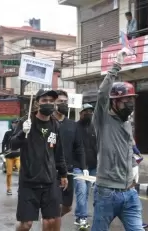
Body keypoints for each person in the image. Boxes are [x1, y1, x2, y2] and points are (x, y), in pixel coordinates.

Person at [91, 59, 143, 230]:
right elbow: (101, 94)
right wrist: (115, 67)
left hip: (129, 192)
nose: (130, 104)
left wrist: (134, 166)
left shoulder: (127, 122)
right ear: (113, 101)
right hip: (107, 192)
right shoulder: (102, 119)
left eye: (131, 100)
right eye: (125, 100)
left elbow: (127, 149)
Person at [11, 89, 68, 231]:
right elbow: (12, 145)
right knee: (26, 224)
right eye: (44, 100)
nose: (48, 103)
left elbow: (58, 152)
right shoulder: (26, 122)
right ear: (37, 103)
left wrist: (63, 174)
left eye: (51, 101)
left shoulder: (55, 125)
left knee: (51, 221)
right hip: (29, 182)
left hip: (49, 181)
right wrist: (22, 133)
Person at [52, 89, 86, 229]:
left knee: (67, 207)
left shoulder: (73, 125)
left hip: (68, 171)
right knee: (54, 205)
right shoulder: (47, 123)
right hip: (51, 171)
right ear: (54, 103)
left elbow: (79, 147)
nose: (63, 104)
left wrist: (84, 168)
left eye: (65, 102)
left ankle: (51, 220)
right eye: (60, 102)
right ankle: (50, 221)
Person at [74, 103, 97, 228]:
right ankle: (82, 217)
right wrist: (82, 167)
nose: (89, 114)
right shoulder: (75, 127)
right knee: (81, 190)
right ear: (80, 113)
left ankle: (79, 216)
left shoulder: (94, 128)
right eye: (86, 111)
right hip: (78, 166)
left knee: (87, 192)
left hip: (93, 166)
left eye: (91, 111)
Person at [131, 140, 148, 229]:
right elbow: (133, 143)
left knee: (131, 194)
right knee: (132, 195)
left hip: (131, 167)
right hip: (129, 168)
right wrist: (138, 153)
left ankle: (136, 222)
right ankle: (137, 222)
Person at [2, 119, 20, 195]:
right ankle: (8, 188)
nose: (15, 124)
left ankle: (21, 187)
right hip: (9, 155)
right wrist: (3, 151)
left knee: (20, 170)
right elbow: (3, 142)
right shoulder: (8, 133)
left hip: (18, 155)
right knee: (9, 173)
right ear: (11, 124)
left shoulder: (21, 132)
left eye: (16, 123)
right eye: (14, 123)